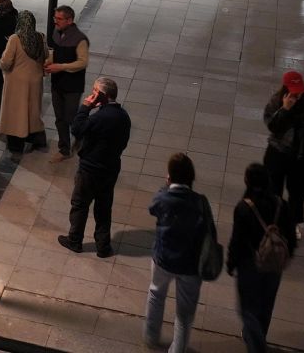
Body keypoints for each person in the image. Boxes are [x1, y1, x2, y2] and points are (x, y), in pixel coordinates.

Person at [57, 76, 130, 258]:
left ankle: (75, 240)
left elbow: (77, 129)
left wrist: (85, 108)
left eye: (95, 91)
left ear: (101, 95)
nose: (91, 94)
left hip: (90, 169)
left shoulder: (100, 117)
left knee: (80, 204)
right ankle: (103, 246)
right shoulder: (123, 116)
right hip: (111, 167)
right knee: (104, 207)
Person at [228, 162, 298, 353]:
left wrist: (231, 263)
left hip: (250, 264)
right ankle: (257, 337)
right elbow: (291, 236)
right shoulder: (280, 204)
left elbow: (237, 240)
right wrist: (287, 254)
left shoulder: (244, 207)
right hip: (274, 264)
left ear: (247, 181)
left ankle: (256, 345)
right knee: (266, 304)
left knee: (248, 308)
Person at [142, 152, 208, 352]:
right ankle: (177, 349)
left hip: (163, 258)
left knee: (156, 293)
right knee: (184, 312)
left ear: (170, 176)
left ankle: (151, 336)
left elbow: (152, 208)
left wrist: (166, 187)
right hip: (190, 264)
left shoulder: (164, 197)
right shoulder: (200, 202)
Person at [263, 70, 304, 229]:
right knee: (274, 190)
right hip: (277, 153)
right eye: (294, 91)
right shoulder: (276, 101)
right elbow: (272, 126)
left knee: (296, 194)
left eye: (299, 91)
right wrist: (284, 110)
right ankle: (273, 221)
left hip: (299, 157)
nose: (297, 94)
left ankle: (292, 224)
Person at [0, 9, 48, 154]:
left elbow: (6, 62)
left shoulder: (15, 39)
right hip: (35, 81)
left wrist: (2, 66)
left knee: (15, 113)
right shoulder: (41, 37)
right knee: (32, 111)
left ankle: (16, 144)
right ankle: (36, 138)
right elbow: (45, 55)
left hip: (16, 83)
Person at [44, 5, 89, 162]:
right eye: (54, 18)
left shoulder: (80, 39)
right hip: (58, 83)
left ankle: (82, 139)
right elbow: (54, 51)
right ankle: (64, 149)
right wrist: (50, 61)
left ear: (69, 20)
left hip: (72, 86)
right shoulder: (57, 33)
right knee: (60, 118)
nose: (55, 22)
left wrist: (60, 67)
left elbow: (82, 62)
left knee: (71, 118)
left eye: (59, 19)